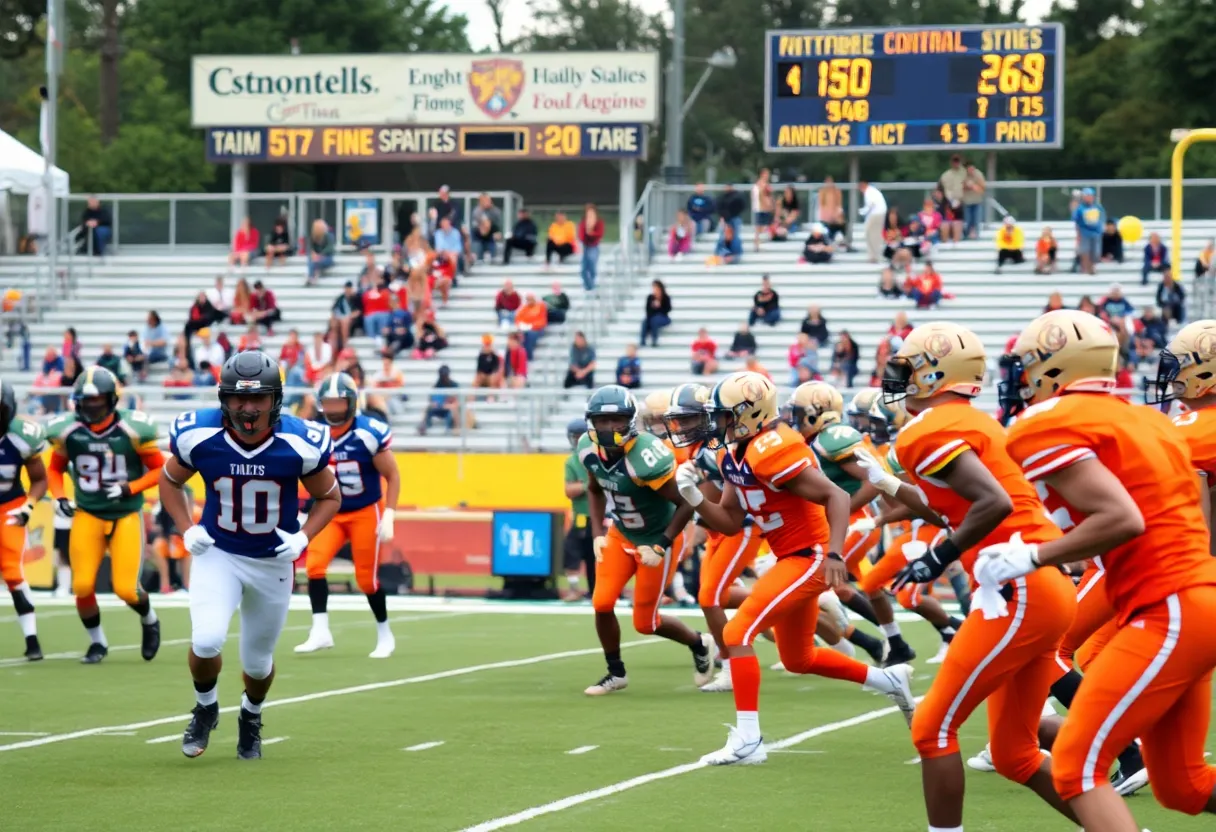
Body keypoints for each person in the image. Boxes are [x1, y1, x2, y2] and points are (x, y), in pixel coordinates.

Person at [985, 311, 1216, 829]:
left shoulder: (1048, 423)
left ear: (1054, 367)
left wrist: (1032, 556)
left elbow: (1122, 518)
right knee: (1184, 785)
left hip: (1170, 605)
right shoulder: (1148, 421)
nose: (1020, 378)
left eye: (1027, 365)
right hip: (1192, 598)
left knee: (1075, 764)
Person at [860, 322, 1077, 829]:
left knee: (931, 727)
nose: (897, 378)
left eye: (907, 368)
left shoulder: (930, 428)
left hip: (1016, 587)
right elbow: (952, 508)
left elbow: (993, 502)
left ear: (935, 373)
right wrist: (889, 483)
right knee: (1015, 754)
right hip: (1035, 583)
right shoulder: (966, 421)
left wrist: (939, 557)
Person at [672, 372, 914, 764]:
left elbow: (836, 495)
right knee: (798, 658)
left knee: (736, 631)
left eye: (724, 415)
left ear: (749, 414)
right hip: (791, 556)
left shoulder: (772, 447)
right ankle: (888, 679)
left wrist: (835, 554)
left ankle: (748, 740)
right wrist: (695, 498)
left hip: (810, 555)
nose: (716, 423)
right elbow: (730, 522)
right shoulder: (733, 453)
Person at [160, 351, 340, 759]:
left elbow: (330, 497)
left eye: (258, 397)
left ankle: (251, 714)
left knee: (257, 664)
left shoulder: (299, 441)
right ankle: (205, 707)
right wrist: (187, 528)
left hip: (272, 560)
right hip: (218, 552)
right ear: (224, 398)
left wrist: (304, 538)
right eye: (239, 398)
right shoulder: (199, 434)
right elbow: (169, 481)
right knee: (206, 640)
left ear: (275, 399)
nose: (248, 408)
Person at [578, 385, 713, 695]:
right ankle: (616, 673)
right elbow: (595, 489)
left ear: (630, 421)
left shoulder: (647, 456)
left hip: (656, 537)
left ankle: (699, 643)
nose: (608, 427)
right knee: (601, 602)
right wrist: (597, 533)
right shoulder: (587, 448)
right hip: (621, 532)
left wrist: (661, 545)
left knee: (645, 623)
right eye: (601, 421)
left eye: (616, 420)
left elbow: (686, 503)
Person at [46, 366, 165, 664]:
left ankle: (150, 619)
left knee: (126, 589)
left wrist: (129, 488)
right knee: (82, 586)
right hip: (88, 513)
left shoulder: (132, 431)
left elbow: (159, 470)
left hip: (125, 514)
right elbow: (54, 469)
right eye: (87, 400)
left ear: (112, 399)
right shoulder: (68, 432)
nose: (92, 406)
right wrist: (59, 497)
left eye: (97, 399)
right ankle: (97, 643)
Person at [294, 373, 399, 659]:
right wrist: (303, 509)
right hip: (331, 511)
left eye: (339, 402)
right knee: (314, 565)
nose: (333, 408)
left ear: (352, 403)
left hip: (365, 510)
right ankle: (320, 631)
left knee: (367, 580)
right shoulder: (315, 433)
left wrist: (389, 513)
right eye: (328, 402)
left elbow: (392, 474)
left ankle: (385, 634)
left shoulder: (368, 432)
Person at [0, 382, 48, 660]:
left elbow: (39, 479)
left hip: (10, 505)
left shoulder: (21, 437)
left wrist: (28, 506)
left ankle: (32, 640)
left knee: (12, 571)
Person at [562, 419, 596, 602]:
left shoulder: (601, 456)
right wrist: (589, 485)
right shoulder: (572, 461)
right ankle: (575, 589)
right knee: (571, 551)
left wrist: (582, 486)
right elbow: (569, 490)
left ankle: (599, 590)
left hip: (604, 516)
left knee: (598, 556)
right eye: (574, 437)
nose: (577, 440)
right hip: (582, 516)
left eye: (580, 436)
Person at [1072, 187, 1105, 275]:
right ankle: (1085, 269)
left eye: (1090, 195)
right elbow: (1075, 219)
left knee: (1095, 252)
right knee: (1085, 251)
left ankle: (1092, 268)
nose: (1089, 197)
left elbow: (1102, 218)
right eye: (1087, 195)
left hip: (1096, 233)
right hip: (1084, 232)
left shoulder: (1098, 207)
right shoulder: (1080, 208)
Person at [420, 365, 461, 434]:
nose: (444, 377)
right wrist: (433, 403)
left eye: (445, 375)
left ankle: (454, 428)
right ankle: (424, 426)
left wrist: (448, 405)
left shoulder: (454, 385)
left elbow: (457, 401)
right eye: (442, 375)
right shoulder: (437, 385)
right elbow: (431, 399)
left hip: (449, 408)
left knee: (453, 409)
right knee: (427, 408)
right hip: (439, 407)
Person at [938, 155, 967, 242]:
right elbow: (941, 189)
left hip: (962, 202)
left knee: (958, 222)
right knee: (946, 222)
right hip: (949, 202)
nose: (956, 163)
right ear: (951, 162)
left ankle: (956, 242)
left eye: (957, 161)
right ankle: (946, 242)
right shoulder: (946, 175)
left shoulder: (965, 173)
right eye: (954, 161)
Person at [858, 180, 887, 263]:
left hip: (875, 214)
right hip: (880, 213)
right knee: (876, 235)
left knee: (869, 234)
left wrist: (862, 211)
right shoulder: (874, 191)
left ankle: (873, 256)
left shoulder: (869, 192)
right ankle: (875, 255)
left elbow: (871, 204)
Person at [577, 204, 605, 291]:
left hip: (594, 246)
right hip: (585, 246)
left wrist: (591, 232)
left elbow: (599, 234)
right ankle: (589, 287)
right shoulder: (583, 223)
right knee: (584, 269)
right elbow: (581, 236)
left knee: (592, 265)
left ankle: (591, 286)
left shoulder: (599, 223)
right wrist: (587, 230)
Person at [514, 293, 548, 359]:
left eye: (531, 299)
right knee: (520, 335)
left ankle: (528, 356)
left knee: (530, 335)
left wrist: (531, 326)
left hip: (537, 329)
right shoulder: (524, 308)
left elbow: (542, 321)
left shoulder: (541, 306)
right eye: (528, 299)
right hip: (525, 328)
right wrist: (522, 325)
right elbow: (518, 319)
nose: (529, 301)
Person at [639, 280, 672, 347]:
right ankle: (642, 341)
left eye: (656, 288)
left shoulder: (666, 297)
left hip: (663, 318)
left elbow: (668, 310)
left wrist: (659, 307)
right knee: (645, 322)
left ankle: (654, 340)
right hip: (652, 317)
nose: (655, 290)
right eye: (654, 288)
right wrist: (653, 307)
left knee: (655, 320)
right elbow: (647, 311)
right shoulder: (650, 298)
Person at [817, 175, 847, 243]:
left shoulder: (837, 191)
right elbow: (821, 206)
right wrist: (828, 217)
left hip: (835, 217)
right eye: (827, 181)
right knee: (829, 227)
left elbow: (839, 205)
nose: (829, 183)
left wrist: (836, 215)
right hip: (826, 218)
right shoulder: (822, 192)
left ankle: (842, 240)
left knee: (841, 224)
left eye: (830, 181)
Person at [306, 219, 336, 286]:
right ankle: (312, 276)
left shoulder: (328, 235)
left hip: (327, 257)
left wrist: (320, 255)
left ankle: (312, 277)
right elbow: (310, 248)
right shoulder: (313, 237)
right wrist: (314, 254)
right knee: (311, 259)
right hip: (317, 257)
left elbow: (330, 248)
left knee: (315, 262)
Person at [751, 169, 774, 251]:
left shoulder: (766, 185)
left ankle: (759, 243)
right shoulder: (759, 185)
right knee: (759, 227)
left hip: (765, 208)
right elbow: (760, 196)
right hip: (760, 208)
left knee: (764, 227)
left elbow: (769, 196)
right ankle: (757, 244)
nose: (767, 176)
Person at [962, 162, 987, 238]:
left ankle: (976, 236)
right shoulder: (963, 175)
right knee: (967, 221)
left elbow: (983, 189)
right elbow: (959, 188)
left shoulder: (979, 174)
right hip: (967, 202)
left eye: (972, 169)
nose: (971, 171)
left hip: (977, 201)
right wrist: (966, 186)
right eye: (969, 169)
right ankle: (967, 235)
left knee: (977, 221)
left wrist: (974, 186)